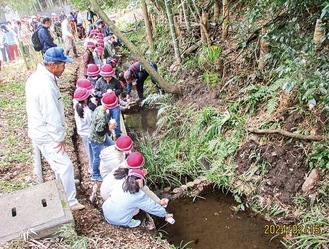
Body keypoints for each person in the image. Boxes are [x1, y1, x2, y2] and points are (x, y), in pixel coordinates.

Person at [25, 47, 85, 211]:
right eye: (62, 65)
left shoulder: (39, 78)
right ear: (52, 65)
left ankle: (63, 189)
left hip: (40, 131)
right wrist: (59, 138)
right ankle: (70, 202)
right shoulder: (45, 86)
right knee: (65, 166)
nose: (64, 68)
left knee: (60, 166)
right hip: (46, 134)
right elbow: (51, 115)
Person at [102, 167, 174, 227]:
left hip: (106, 211)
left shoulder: (120, 182)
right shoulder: (138, 196)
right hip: (118, 220)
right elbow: (151, 206)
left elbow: (110, 192)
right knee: (137, 209)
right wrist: (165, 214)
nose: (141, 185)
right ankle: (128, 222)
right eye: (141, 182)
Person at [88, 91, 118, 181]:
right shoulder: (101, 115)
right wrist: (110, 127)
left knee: (113, 146)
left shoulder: (99, 108)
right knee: (97, 157)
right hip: (96, 139)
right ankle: (95, 174)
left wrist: (107, 124)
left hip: (103, 136)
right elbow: (99, 131)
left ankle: (115, 162)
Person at [94, 64, 122, 138]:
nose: (107, 79)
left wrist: (115, 92)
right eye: (105, 77)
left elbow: (120, 89)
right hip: (105, 106)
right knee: (106, 120)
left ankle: (118, 134)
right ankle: (108, 134)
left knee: (116, 120)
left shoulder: (115, 81)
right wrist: (102, 94)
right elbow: (96, 91)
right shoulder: (99, 81)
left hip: (115, 105)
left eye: (109, 77)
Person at [73, 87, 94, 174]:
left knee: (89, 150)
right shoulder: (88, 112)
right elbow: (92, 123)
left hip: (82, 133)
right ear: (86, 100)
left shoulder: (76, 106)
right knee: (91, 152)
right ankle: (92, 169)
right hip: (88, 134)